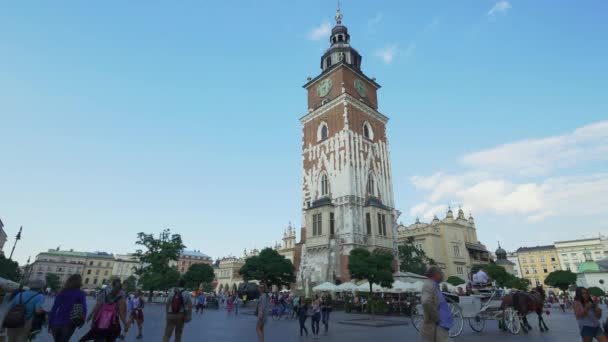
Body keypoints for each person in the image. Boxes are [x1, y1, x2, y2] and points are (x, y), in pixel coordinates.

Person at [48, 274, 87, 342]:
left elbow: (54, 309)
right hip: (69, 323)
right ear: (79, 282)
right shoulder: (80, 293)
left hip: (56, 323)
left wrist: (50, 324)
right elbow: (84, 309)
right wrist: (82, 321)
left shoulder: (61, 292)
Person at [421, 266, 453, 342]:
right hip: (437, 327)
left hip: (441, 326)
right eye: (441, 273)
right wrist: (436, 318)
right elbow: (426, 302)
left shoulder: (434, 286)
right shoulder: (428, 285)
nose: (442, 275)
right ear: (436, 274)